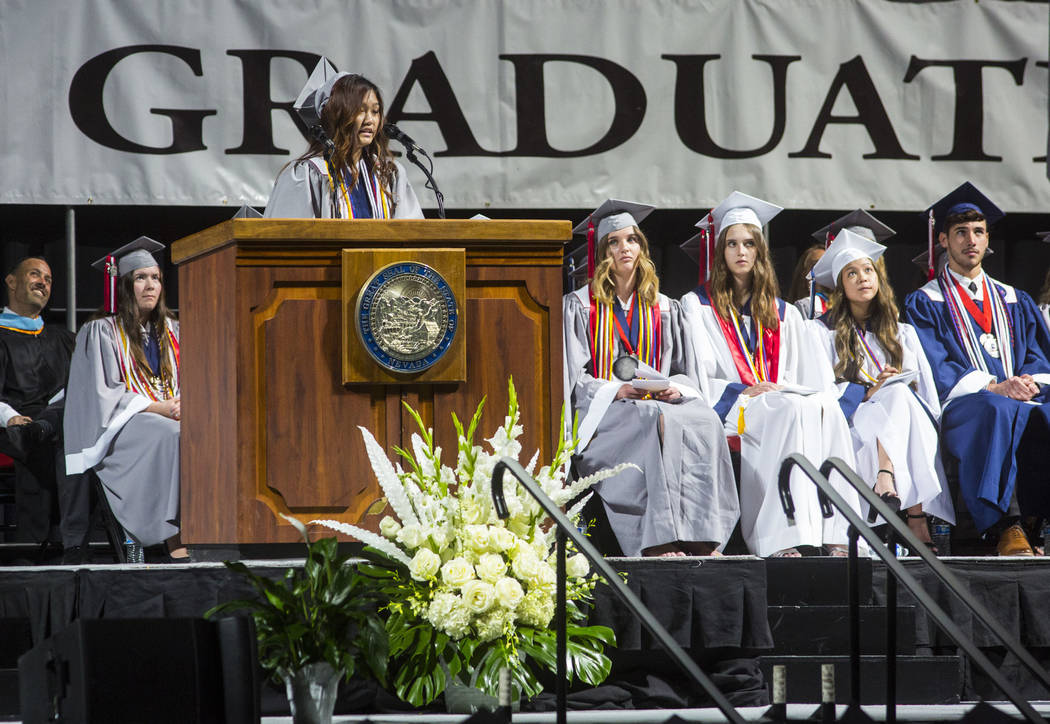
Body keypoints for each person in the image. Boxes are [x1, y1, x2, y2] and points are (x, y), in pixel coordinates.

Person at [680, 191, 862, 558]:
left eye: (749, 243)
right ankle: (778, 537)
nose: (741, 252)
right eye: (732, 244)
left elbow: (807, 375)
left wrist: (784, 389)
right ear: (720, 252)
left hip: (778, 398)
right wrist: (745, 391)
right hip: (737, 407)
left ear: (760, 251)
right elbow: (700, 373)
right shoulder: (697, 305)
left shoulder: (784, 313)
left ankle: (837, 529)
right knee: (789, 410)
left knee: (821, 408)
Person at [563, 199, 739, 557]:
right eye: (613, 241)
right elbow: (574, 378)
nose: (623, 248)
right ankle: (659, 538)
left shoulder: (664, 306)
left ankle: (705, 534)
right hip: (607, 413)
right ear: (601, 252)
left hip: (657, 400)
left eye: (631, 240)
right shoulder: (580, 306)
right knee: (652, 418)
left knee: (704, 419)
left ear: (641, 248)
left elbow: (683, 369)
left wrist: (673, 387)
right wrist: (618, 389)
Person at [904, 183, 1050, 556]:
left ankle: (1035, 521)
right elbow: (935, 363)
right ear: (943, 240)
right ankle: (1006, 526)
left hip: (1018, 398)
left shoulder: (1014, 299)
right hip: (963, 406)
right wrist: (994, 386)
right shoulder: (926, 301)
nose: (971, 240)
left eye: (978, 232)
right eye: (961, 232)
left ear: (988, 240)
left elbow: (1038, 354)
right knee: (995, 408)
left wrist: (1028, 382)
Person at [808, 230, 954, 551]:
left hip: (904, 425)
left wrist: (892, 389)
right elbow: (819, 391)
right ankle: (916, 516)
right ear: (840, 286)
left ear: (878, 277)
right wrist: (868, 393)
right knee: (892, 395)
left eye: (868, 270)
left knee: (900, 394)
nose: (863, 278)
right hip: (851, 427)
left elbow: (927, 397)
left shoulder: (902, 333)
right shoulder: (819, 332)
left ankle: (886, 479)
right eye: (852, 273)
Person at [64, 237, 187, 560]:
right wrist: (158, 407)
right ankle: (177, 540)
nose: (150, 285)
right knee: (172, 435)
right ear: (123, 285)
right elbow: (100, 396)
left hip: (171, 416)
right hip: (121, 427)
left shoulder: (175, 331)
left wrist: (183, 403)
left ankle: (212, 531)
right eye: (140, 278)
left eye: (156, 278)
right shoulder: (101, 332)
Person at [0, 257, 90, 556]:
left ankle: (79, 545)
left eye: (49, 279)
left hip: (62, 424)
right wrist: (10, 418)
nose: (43, 282)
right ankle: (31, 549)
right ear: (11, 282)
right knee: (34, 438)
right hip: (11, 426)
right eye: (35, 274)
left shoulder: (65, 339)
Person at [264, 57, 423, 220]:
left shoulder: (388, 173)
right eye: (361, 110)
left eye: (375, 111)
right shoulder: (308, 173)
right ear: (336, 116)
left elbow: (412, 234)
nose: (370, 120)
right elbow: (286, 236)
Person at [789, 245, 830, 320]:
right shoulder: (791, 311)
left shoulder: (841, 310)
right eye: (816, 265)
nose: (822, 270)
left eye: (827, 265)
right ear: (803, 273)